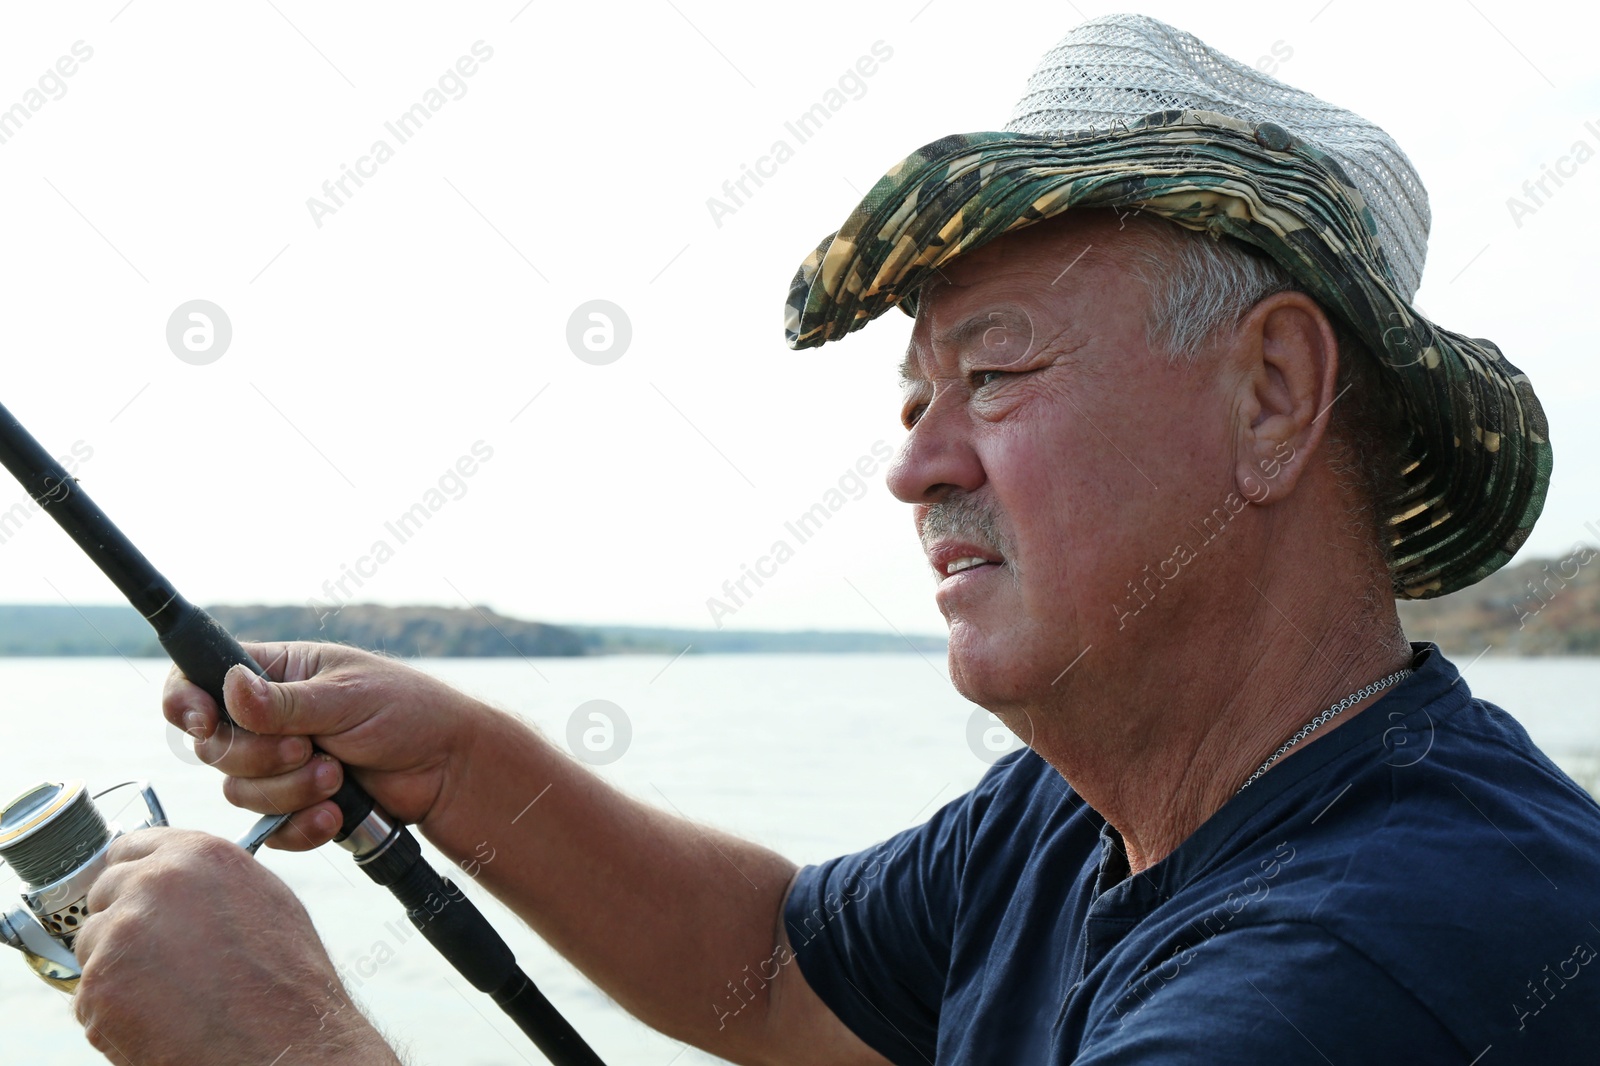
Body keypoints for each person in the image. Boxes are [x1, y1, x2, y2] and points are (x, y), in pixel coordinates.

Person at [70, 14, 1600, 1065]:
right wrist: (457, 760)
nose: (915, 465)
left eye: (994, 376)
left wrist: (283, 1037)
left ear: (1273, 397)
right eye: (915, 391)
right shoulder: (1080, 820)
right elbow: (779, 967)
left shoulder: (1385, 955)